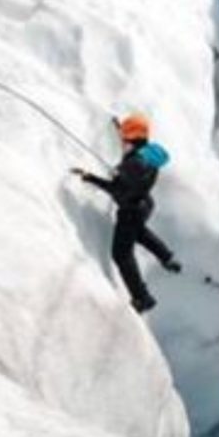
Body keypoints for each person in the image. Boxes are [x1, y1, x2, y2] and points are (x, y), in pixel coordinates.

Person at [73, 114, 181, 314]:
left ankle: (142, 298)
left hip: (130, 210)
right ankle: (166, 257)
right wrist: (119, 128)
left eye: (125, 139)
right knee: (139, 233)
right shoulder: (147, 153)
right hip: (145, 204)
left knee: (122, 254)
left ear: (133, 140)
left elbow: (118, 190)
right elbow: (132, 169)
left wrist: (90, 178)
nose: (122, 143)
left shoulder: (133, 165)